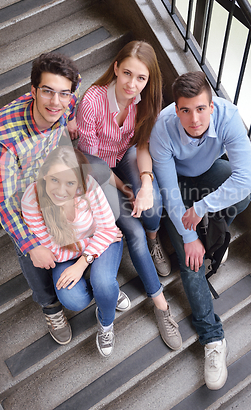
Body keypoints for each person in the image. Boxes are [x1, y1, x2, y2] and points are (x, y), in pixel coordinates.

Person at [0, 52, 112, 346]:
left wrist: (71, 119)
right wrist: (31, 246)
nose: (56, 102)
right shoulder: (5, 138)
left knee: (97, 178)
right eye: (47, 92)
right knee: (29, 249)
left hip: (53, 172)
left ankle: (98, 270)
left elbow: (75, 85)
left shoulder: (65, 102)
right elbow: (3, 202)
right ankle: (50, 306)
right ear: (33, 91)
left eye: (63, 94)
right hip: (21, 188)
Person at [149, 71, 251, 390]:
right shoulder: (162, 129)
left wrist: (201, 209)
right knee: (191, 260)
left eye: (200, 109)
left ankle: (216, 243)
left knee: (245, 194)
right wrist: (188, 237)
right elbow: (168, 193)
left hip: (209, 175)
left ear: (212, 106)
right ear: (176, 108)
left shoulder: (229, 116)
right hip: (177, 187)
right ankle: (213, 338)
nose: (194, 119)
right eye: (185, 110)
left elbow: (246, 180)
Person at [76, 40, 182, 351]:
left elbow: (143, 145)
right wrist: (123, 187)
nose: (132, 85)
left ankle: (155, 239)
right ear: (115, 69)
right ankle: (161, 306)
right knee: (132, 231)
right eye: (127, 74)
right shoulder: (92, 103)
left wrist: (145, 185)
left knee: (151, 209)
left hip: (127, 156)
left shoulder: (145, 99)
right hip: (98, 171)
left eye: (141, 78)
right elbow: (92, 166)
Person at [21, 147, 128, 357]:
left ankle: (106, 322)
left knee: (105, 283)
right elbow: (51, 253)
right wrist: (91, 241)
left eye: (70, 183)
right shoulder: (32, 200)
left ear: (80, 183)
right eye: (54, 180)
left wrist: (82, 263)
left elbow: (109, 230)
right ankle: (104, 293)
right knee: (73, 300)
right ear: (44, 176)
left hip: (100, 245)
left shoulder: (89, 187)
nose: (60, 190)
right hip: (88, 245)